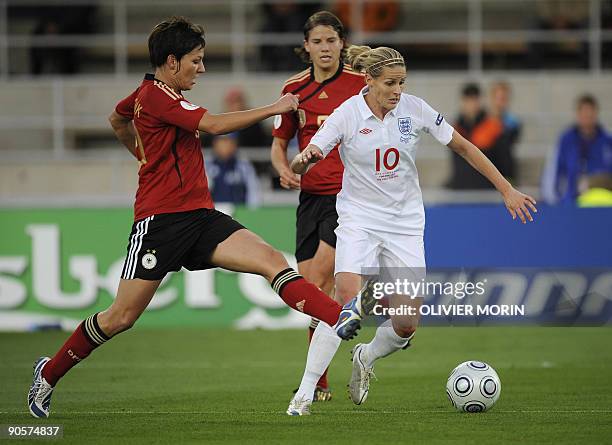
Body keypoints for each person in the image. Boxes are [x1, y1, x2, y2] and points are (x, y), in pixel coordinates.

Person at [27, 16, 375, 419]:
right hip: (160, 224)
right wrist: (273, 108)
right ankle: (48, 374)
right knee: (120, 317)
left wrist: (141, 152)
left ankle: (340, 316)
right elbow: (212, 125)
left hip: (201, 217)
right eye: (196, 60)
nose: (201, 68)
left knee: (272, 262)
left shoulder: (148, 95)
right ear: (172, 61)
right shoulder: (158, 96)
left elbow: (117, 119)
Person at [287, 45, 537, 415]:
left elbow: (465, 148)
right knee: (344, 300)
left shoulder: (415, 109)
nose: (397, 90)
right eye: (389, 83)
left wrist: (506, 189)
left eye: (401, 82)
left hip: (404, 225)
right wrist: (303, 161)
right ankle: (305, 393)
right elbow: (305, 157)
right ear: (368, 81)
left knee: (405, 324)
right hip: (359, 220)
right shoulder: (347, 114)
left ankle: (366, 356)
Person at [270, 10, 365, 403]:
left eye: (331, 40)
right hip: (309, 198)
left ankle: (315, 383)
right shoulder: (294, 90)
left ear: (342, 43)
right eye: (318, 41)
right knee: (313, 289)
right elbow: (279, 144)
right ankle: (330, 370)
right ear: (306, 47)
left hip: (349, 198)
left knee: (323, 279)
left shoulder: (361, 85)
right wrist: (283, 171)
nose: (325, 48)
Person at [541, 94, 612, 204]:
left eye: (590, 112)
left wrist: (594, 183)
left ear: (596, 113)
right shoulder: (566, 140)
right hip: (572, 204)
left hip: (603, 204)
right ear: (578, 114)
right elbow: (554, 173)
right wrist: (555, 201)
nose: (588, 116)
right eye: (584, 112)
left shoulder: (607, 141)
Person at [447, 83, 507, 189]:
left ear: (479, 101)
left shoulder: (493, 126)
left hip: (486, 187)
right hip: (461, 187)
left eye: (474, 100)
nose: (471, 104)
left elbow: (503, 159)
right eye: (468, 100)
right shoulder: (454, 128)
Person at [206, 132, 260, 207]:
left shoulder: (244, 166)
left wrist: (251, 213)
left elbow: (253, 194)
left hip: (238, 214)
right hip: (212, 214)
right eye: (222, 141)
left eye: (230, 141)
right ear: (215, 143)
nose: (226, 145)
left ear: (235, 144)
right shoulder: (206, 166)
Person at [489, 81, 521, 183]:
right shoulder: (483, 122)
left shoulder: (513, 123)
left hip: (506, 174)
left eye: (504, 99)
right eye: (498, 98)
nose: (500, 102)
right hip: (486, 174)